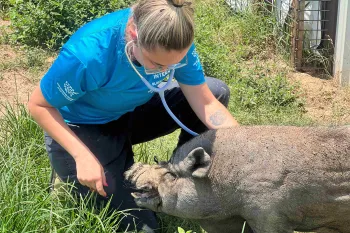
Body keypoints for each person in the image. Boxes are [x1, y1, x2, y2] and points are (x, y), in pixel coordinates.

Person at [28, 0, 239, 231]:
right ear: (133, 33)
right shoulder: (89, 54)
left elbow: (206, 102)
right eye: (157, 64)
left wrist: (245, 145)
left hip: (130, 112)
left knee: (216, 92)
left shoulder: (173, 37)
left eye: (173, 65)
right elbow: (38, 105)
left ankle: (184, 177)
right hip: (83, 127)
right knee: (142, 228)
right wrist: (82, 157)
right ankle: (79, 166)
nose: (166, 71)